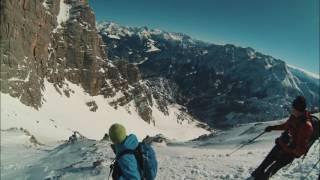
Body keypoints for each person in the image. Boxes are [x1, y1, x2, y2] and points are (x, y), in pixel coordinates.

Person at [251, 96, 314, 180]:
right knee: (267, 161)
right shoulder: (294, 117)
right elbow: (286, 126)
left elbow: (299, 151)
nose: (291, 110)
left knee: (271, 170)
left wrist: (284, 145)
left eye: (293, 108)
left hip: (289, 153)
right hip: (283, 145)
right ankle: (257, 174)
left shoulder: (306, 126)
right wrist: (272, 128)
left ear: (298, 110)